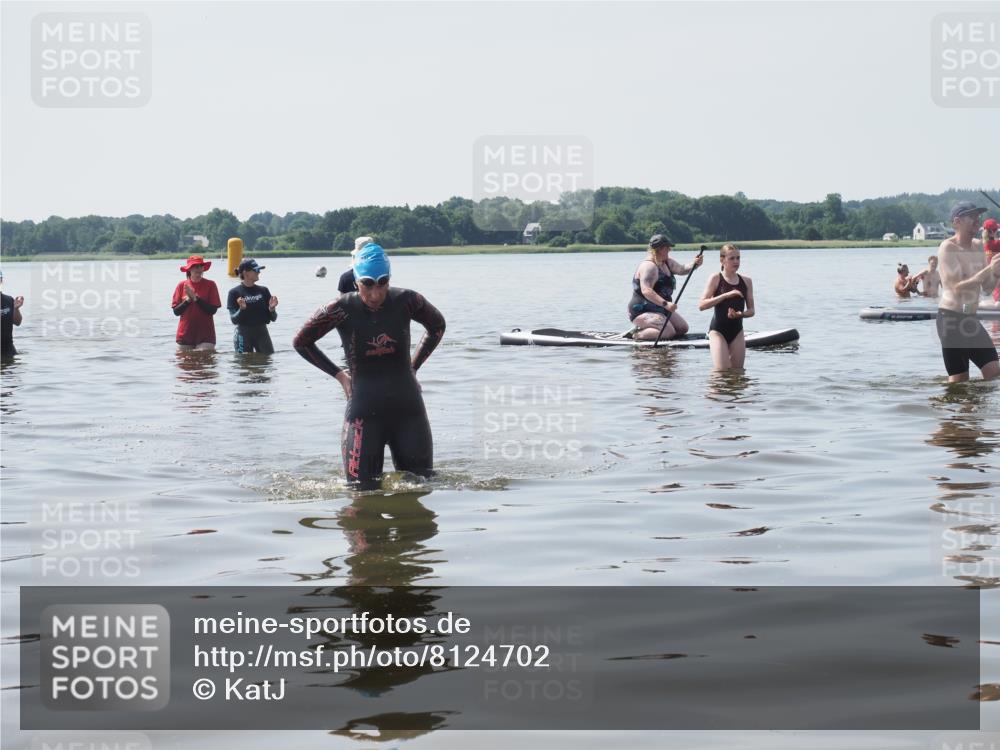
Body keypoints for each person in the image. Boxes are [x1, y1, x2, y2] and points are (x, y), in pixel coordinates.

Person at [293, 243, 446, 490]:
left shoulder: (408, 301)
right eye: (368, 284)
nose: (376, 293)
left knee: (421, 489)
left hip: (408, 410)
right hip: (364, 413)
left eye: (383, 283)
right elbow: (301, 342)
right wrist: (340, 376)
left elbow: (437, 326)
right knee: (361, 493)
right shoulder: (340, 309)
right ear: (356, 281)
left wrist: (413, 367)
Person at [936, 201, 1000, 382]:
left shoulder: (979, 246)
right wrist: (989, 270)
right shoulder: (947, 248)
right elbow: (956, 286)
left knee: (994, 371)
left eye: (978, 216)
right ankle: (953, 408)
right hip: (951, 319)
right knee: (960, 383)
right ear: (957, 221)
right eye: (972, 216)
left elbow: (987, 288)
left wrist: (996, 271)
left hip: (970, 319)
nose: (976, 220)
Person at [627, 234, 703, 340]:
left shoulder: (667, 262)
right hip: (642, 310)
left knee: (682, 328)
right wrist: (666, 304)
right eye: (667, 248)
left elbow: (682, 269)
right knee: (668, 332)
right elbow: (646, 290)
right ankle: (636, 334)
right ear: (659, 249)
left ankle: (658, 335)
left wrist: (695, 264)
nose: (669, 250)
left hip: (661, 308)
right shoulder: (649, 266)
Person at [698, 244, 755, 371]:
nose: (736, 261)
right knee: (722, 372)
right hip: (718, 332)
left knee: (738, 373)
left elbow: (752, 311)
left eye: (738, 258)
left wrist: (741, 314)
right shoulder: (716, 278)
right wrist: (726, 295)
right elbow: (701, 305)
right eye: (732, 258)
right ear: (722, 260)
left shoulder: (747, 281)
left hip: (737, 332)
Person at [227, 258, 279, 353]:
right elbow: (233, 320)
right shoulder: (234, 293)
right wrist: (241, 309)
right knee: (244, 365)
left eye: (259, 270)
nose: (259, 272)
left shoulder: (264, 291)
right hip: (243, 334)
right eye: (256, 270)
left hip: (262, 333)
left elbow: (274, 318)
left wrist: (272, 309)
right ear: (246, 273)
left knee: (267, 362)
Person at [171, 255, 221, 351]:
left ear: (203, 268)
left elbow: (212, 310)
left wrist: (196, 298)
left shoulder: (211, 284)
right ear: (189, 269)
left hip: (206, 334)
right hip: (185, 334)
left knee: (205, 359)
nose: (198, 269)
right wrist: (187, 300)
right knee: (185, 363)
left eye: (200, 266)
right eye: (195, 266)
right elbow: (176, 312)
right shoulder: (181, 285)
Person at [0, 269, 24, 358]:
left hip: (8, 349)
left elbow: (17, 322)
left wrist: (16, 309)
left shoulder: (8, 299)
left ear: (1, 280)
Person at [983, 218, 1000, 304]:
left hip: (994, 280)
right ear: (992, 231)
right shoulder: (996, 244)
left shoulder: (985, 244)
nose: (997, 231)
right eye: (996, 229)